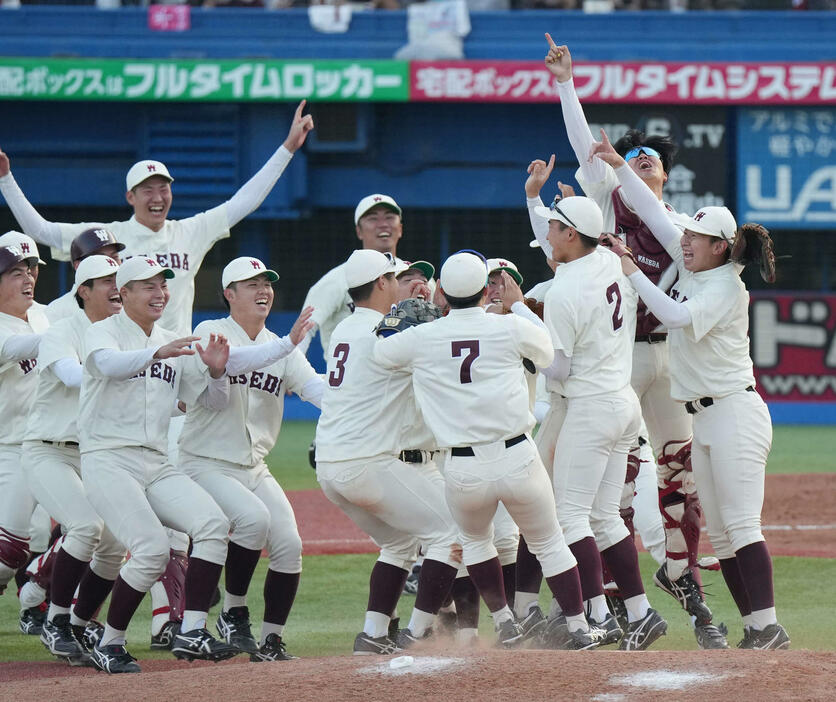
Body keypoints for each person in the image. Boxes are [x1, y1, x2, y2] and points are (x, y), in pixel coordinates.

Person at [540, 36, 724, 648]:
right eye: (633, 154)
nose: (639, 160)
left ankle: (683, 576)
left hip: (664, 357)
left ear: (666, 174)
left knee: (679, 472)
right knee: (612, 483)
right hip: (617, 362)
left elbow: (633, 185)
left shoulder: (680, 226)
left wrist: (620, 161)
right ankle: (616, 600)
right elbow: (579, 140)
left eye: (650, 157)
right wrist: (566, 83)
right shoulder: (604, 202)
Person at [591, 129, 789, 650]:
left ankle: (767, 625)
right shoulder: (699, 268)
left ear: (720, 247)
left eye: (695, 239)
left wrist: (632, 271)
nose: (684, 242)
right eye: (688, 236)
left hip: (734, 413)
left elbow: (675, 315)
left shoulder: (724, 284)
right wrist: (617, 164)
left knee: (742, 526)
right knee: (721, 535)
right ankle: (754, 630)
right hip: (704, 417)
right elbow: (655, 214)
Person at [374, 251, 602, 650]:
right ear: (484, 291)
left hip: (462, 467)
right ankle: (580, 627)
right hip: (516, 454)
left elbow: (381, 353)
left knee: (477, 543)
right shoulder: (511, 327)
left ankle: (504, 623)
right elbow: (548, 353)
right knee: (549, 542)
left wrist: (393, 320)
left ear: (443, 291)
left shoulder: (423, 337)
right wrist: (515, 308)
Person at [0, 100, 313, 337]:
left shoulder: (191, 231)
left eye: (163, 189)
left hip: (175, 362)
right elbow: (40, 230)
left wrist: (287, 148)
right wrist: (5, 178)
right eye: (147, 190)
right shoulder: (108, 239)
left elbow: (244, 202)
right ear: (130, 198)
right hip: (123, 355)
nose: (157, 197)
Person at [78, 256, 237, 673]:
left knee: (213, 525)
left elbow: (210, 403)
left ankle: (193, 629)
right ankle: (110, 642)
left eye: (162, 285)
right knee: (149, 548)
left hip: (155, 462)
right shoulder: (101, 333)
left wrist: (217, 373)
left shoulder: (173, 341)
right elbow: (108, 366)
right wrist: (157, 351)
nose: (159, 293)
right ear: (123, 293)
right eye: (147, 286)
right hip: (107, 459)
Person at [533, 195, 667, 651]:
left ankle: (596, 616)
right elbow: (599, 246)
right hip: (623, 402)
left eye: (553, 227)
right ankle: (640, 613)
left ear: (571, 234)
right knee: (605, 517)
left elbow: (560, 370)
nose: (546, 235)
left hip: (590, 406)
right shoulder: (610, 260)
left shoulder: (565, 290)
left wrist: (522, 332)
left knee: (570, 516)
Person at [315, 249, 461, 655]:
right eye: (397, 278)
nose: (408, 285)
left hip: (330, 468)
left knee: (398, 544)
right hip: (368, 464)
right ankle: (415, 635)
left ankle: (373, 634)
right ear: (381, 283)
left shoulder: (346, 328)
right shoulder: (385, 330)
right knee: (451, 531)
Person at [178, 256, 320, 662]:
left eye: (267, 283)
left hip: (253, 466)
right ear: (229, 294)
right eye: (251, 283)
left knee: (290, 545)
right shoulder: (211, 332)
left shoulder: (282, 347)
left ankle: (272, 639)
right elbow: (234, 362)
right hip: (204, 461)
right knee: (252, 520)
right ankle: (234, 611)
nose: (263, 290)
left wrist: (360, 398)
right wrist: (287, 343)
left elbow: (315, 389)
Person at [22, 255, 126, 665]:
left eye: (120, 279)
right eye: (106, 281)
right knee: (85, 526)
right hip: (47, 450)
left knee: (116, 544)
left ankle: (80, 623)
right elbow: (71, 375)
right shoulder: (61, 330)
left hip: (94, 455)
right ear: (83, 291)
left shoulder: (126, 335)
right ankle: (55, 619)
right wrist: (130, 366)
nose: (117, 286)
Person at [299, 194, 405, 360]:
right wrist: (297, 376)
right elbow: (305, 330)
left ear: (400, 229)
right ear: (359, 231)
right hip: (350, 379)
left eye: (390, 217)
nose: (383, 224)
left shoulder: (415, 274)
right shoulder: (335, 279)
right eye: (373, 218)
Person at [0, 244, 49, 597]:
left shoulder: (43, 317)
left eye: (30, 270)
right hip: (10, 447)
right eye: (16, 273)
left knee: (80, 528)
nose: (28, 277)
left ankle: (42, 609)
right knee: (11, 551)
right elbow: (18, 349)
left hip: (46, 445)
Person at [44, 228, 125, 322]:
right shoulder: (57, 311)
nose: (110, 262)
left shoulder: (132, 303)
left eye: (115, 257)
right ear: (78, 266)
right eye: (101, 258)